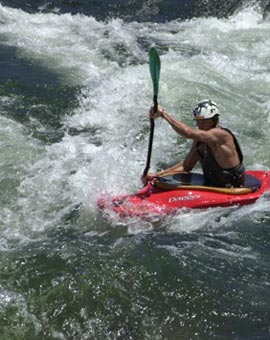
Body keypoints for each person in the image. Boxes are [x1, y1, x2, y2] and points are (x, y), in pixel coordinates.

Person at [142, 99, 245, 188]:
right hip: (212, 185)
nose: (200, 125)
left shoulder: (221, 135)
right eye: (198, 121)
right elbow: (186, 167)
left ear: (215, 119)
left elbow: (189, 133)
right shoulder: (200, 139)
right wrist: (157, 175)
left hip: (232, 187)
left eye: (203, 122)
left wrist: (163, 114)